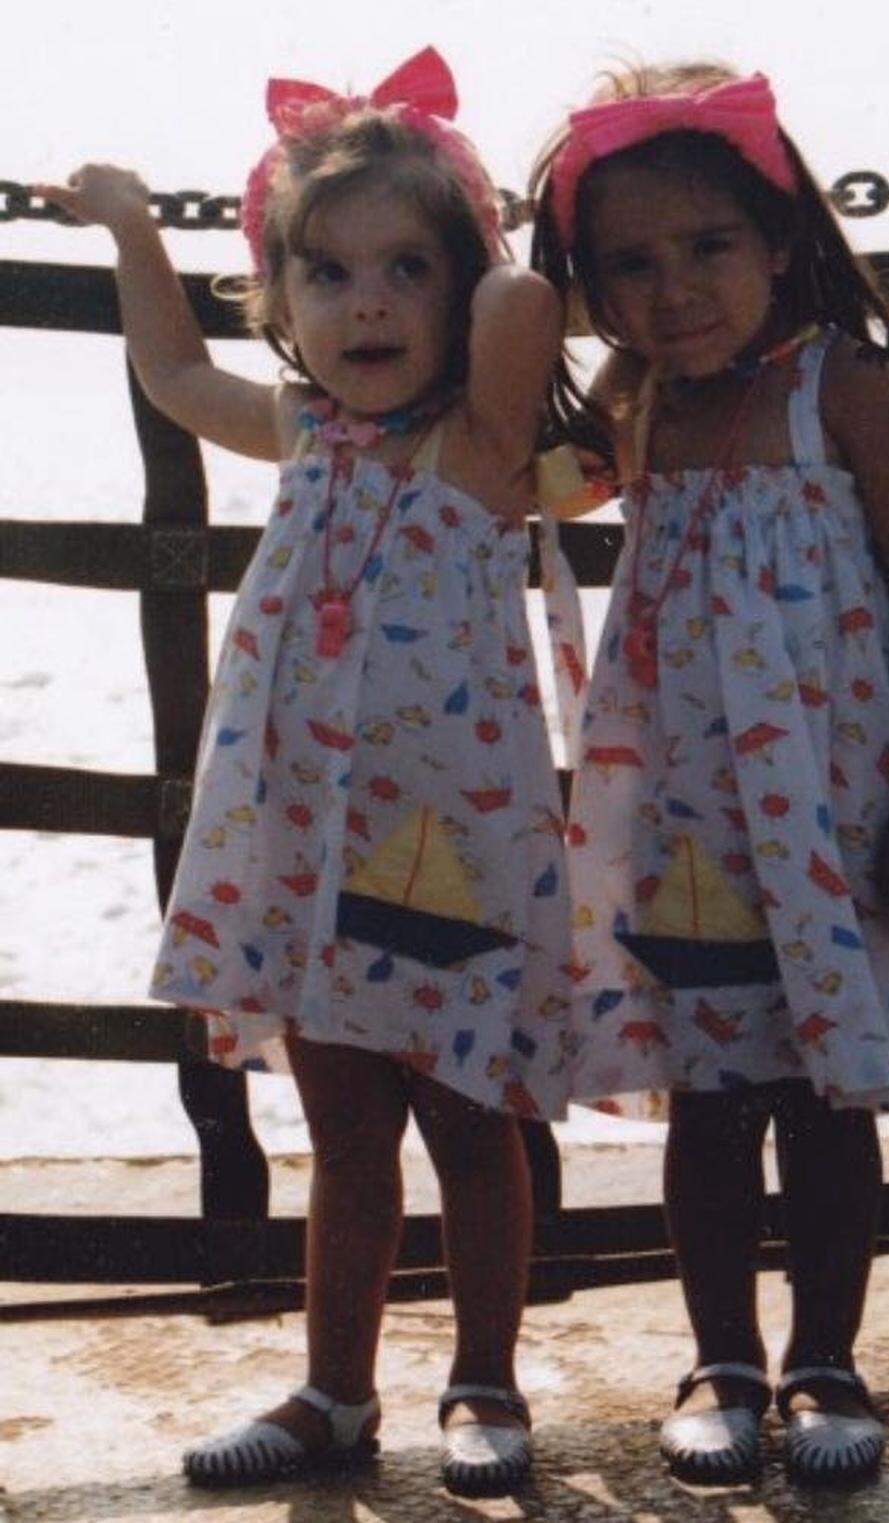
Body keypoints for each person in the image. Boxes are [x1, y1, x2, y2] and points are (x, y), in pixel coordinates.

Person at [41, 47, 570, 1498]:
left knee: (472, 1125)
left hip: (450, 858)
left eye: (408, 271)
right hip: (308, 855)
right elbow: (172, 372)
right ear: (278, 299)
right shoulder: (300, 435)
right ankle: (337, 1392)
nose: (369, 306)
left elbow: (523, 311)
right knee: (343, 1135)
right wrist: (132, 225)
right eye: (326, 276)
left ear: (463, 284)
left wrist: (477, 229)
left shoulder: (482, 445)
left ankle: (485, 1384)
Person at [529, 62, 889, 1487]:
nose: (675, 291)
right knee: (710, 1093)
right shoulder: (638, 399)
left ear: (780, 240)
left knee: (828, 1095)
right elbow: (529, 473)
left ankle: (826, 1361)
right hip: (686, 820)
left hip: (839, 812)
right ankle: (721, 1360)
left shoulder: (847, 393)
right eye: (630, 266)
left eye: (709, 246)